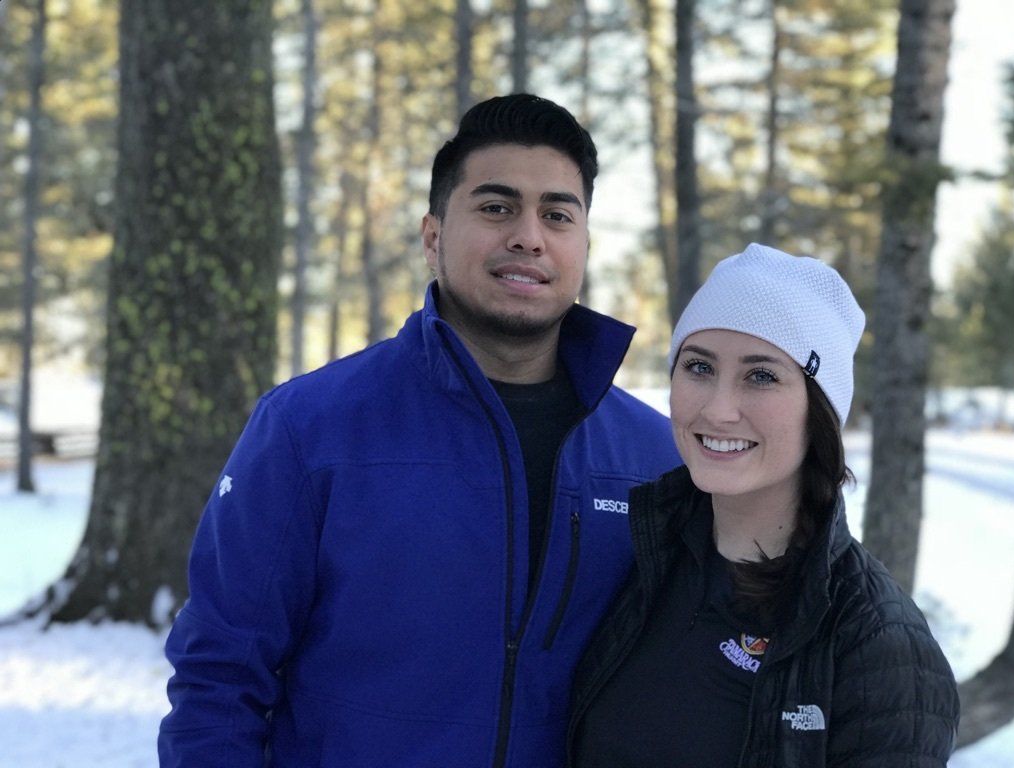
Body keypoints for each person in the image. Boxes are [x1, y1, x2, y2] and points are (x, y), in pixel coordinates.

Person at [157, 94, 679, 768]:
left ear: (582, 244)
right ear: (432, 238)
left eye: (557, 215)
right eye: (497, 208)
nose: (529, 236)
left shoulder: (656, 458)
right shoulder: (308, 430)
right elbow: (219, 682)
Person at [568, 243, 960, 767]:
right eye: (699, 367)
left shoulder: (876, 641)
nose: (719, 409)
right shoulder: (643, 559)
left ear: (818, 410)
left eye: (761, 376)